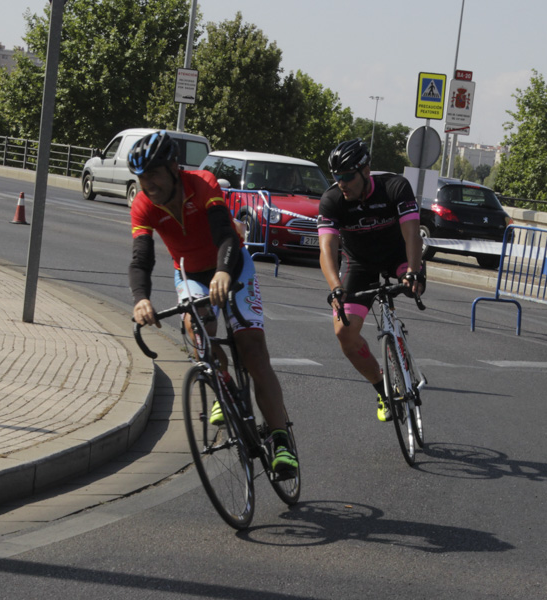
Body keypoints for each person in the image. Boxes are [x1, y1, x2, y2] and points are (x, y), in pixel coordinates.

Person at [127, 131, 298, 476]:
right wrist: (141, 298)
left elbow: (224, 234)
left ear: (174, 168)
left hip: (232, 265)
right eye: (142, 178)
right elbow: (140, 259)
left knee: (252, 348)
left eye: (154, 174)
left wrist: (222, 272)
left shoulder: (202, 184)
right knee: (197, 327)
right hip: (189, 273)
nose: (149, 184)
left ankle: (281, 441)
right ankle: (225, 389)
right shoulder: (143, 205)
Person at [316, 138, 424, 422]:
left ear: (366, 171)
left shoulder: (395, 187)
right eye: (336, 177)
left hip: (398, 256)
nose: (342, 183)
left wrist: (412, 270)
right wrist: (336, 288)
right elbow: (327, 249)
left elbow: (412, 234)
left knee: (415, 285)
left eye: (348, 176)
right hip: (359, 263)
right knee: (343, 331)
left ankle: (400, 345)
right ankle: (383, 388)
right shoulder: (332, 200)